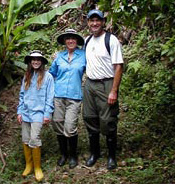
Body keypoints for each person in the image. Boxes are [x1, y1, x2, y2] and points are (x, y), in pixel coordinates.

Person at [83, 9, 124, 170]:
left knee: (108, 120)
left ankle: (112, 156)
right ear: (88, 23)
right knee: (89, 117)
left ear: (103, 22)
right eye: (91, 20)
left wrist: (114, 90)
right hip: (90, 84)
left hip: (106, 83)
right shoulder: (87, 40)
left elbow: (118, 66)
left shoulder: (111, 40)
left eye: (97, 20)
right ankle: (95, 153)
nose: (94, 23)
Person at [49, 29, 86, 169]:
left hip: (74, 96)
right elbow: (51, 74)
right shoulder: (59, 56)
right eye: (68, 38)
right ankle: (63, 154)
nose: (70, 41)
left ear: (77, 41)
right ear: (64, 41)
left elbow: (93, 68)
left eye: (73, 38)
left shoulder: (83, 55)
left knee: (70, 127)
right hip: (58, 95)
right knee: (58, 125)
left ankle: (72, 155)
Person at [17, 50, 54, 181]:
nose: (36, 61)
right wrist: (19, 111)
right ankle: (29, 165)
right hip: (26, 112)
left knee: (35, 138)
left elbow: (50, 97)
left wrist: (47, 113)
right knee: (25, 138)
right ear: (30, 62)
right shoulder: (27, 76)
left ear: (42, 61)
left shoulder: (48, 77)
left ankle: (37, 167)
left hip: (39, 113)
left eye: (38, 59)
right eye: (33, 59)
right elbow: (22, 95)